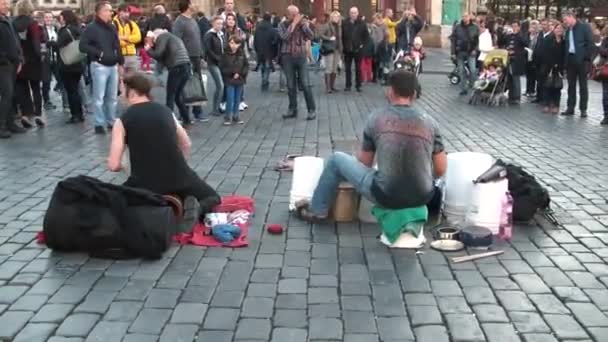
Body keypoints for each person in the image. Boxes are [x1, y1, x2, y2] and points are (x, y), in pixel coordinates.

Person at [294, 69, 447, 222]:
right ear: (414, 94)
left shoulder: (376, 119)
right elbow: (440, 169)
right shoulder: (430, 123)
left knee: (336, 160)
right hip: (422, 197)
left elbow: (365, 163)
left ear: (390, 92)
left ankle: (317, 210)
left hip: (385, 195)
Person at [107, 73, 221, 218]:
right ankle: (194, 209)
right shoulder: (167, 111)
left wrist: (119, 164)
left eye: (122, 90)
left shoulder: (122, 121)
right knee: (213, 198)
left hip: (144, 183)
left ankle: (152, 207)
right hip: (180, 177)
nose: (121, 94)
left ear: (133, 92)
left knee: (111, 203)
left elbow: (113, 165)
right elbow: (186, 143)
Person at [80, 1, 123, 135]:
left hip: (113, 65)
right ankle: (99, 123)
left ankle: (111, 121)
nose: (111, 13)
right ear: (100, 12)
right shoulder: (91, 28)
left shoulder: (112, 27)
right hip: (99, 66)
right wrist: (99, 53)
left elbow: (117, 44)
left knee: (112, 97)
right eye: (108, 10)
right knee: (99, 97)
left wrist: (120, 60)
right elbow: (83, 46)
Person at [145, 29, 192, 127]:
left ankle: (168, 122)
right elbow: (161, 56)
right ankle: (187, 120)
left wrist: (148, 49)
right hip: (186, 66)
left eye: (154, 40)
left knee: (170, 96)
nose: (155, 42)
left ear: (156, 36)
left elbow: (158, 53)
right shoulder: (173, 38)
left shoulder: (163, 36)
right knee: (178, 96)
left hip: (176, 67)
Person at [278, 5, 316, 120]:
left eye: (297, 13)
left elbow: (311, 36)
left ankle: (311, 110)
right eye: (293, 14)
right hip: (287, 57)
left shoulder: (302, 24)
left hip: (301, 56)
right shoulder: (282, 25)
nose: (296, 16)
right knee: (290, 85)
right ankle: (292, 109)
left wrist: (303, 25)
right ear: (288, 14)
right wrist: (293, 24)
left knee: (305, 84)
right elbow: (284, 37)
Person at [13, 0, 45, 128]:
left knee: (23, 89)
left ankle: (25, 115)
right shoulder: (33, 24)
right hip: (33, 60)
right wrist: (41, 55)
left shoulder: (12, 23)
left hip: (20, 60)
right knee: (36, 88)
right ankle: (38, 114)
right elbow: (37, 43)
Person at [174, 0, 206, 122]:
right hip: (186, 58)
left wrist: (201, 55)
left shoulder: (193, 20)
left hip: (196, 56)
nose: (194, 5)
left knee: (197, 84)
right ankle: (184, 114)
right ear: (187, 6)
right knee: (185, 86)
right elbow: (176, 41)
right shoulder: (179, 21)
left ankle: (198, 112)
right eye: (192, 3)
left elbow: (197, 38)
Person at [0, 0, 26, 138]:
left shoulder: (7, 20)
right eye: (3, 3)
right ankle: (1, 125)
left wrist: (20, 59)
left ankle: (10, 123)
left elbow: (15, 41)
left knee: (10, 95)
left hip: (13, 63)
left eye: (7, 3)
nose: (7, 6)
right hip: (3, 65)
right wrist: (5, 59)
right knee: (6, 95)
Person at [561, 10, 594, 118]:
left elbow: (590, 44)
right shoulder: (568, 29)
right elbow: (566, 45)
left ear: (571, 17)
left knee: (583, 86)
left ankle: (583, 109)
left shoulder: (584, 27)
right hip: (570, 60)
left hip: (582, 61)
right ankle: (570, 107)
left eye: (565, 19)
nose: (564, 22)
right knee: (571, 86)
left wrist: (586, 59)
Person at [57, 10, 85, 124]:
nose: (60, 19)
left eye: (61, 17)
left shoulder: (64, 31)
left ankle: (75, 115)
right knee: (76, 89)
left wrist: (50, 43)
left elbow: (59, 45)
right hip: (78, 63)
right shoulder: (78, 28)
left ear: (65, 18)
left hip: (67, 64)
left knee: (71, 90)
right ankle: (80, 113)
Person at [220, 36, 248, 125]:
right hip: (229, 79)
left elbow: (246, 66)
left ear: (239, 44)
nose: (233, 45)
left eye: (236, 43)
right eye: (231, 43)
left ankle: (236, 116)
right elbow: (222, 67)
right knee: (230, 98)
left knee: (237, 99)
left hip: (240, 79)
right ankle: (227, 117)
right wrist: (232, 73)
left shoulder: (241, 54)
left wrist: (240, 73)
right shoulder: (225, 54)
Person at [451, 13, 480, 95]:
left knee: (473, 70)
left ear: (469, 17)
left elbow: (477, 40)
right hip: (460, 51)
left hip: (471, 51)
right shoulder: (458, 27)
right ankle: (463, 88)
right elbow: (453, 40)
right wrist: (453, 52)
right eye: (463, 16)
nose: (464, 18)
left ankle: (472, 84)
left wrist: (475, 49)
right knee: (461, 70)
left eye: (466, 16)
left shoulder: (474, 27)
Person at [342, 7, 369, 92]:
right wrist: (344, 46)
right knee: (347, 68)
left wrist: (362, 45)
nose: (353, 14)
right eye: (352, 13)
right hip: (348, 50)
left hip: (358, 50)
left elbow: (366, 36)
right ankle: (348, 85)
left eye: (355, 13)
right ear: (349, 14)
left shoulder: (362, 23)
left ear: (357, 13)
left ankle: (358, 85)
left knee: (358, 69)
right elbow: (342, 36)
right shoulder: (345, 22)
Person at [203, 16, 225, 117]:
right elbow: (208, 50)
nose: (220, 26)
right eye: (218, 24)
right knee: (220, 85)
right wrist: (218, 59)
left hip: (221, 62)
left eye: (221, 24)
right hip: (213, 63)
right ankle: (215, 109)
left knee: (221, 86)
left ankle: (218, 106)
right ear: (213, 24)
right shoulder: (209, 35)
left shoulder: (221, 34)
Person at [541, 23, 565, 115]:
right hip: (548, 67)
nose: (559, 30)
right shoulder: (548, 40)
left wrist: (561, 66)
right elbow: (545, 53)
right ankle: (546, 104)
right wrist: (551, 64)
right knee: (547, 86)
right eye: (557, 28)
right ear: (554, 30)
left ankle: (556, 105)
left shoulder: (564, 42)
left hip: (559, 67)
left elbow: (564, 55)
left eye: (561, 29)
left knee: (557, 88)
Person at [253, 12, 279, 92]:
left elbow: (255, 40)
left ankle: (264, 79)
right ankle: (265, 80)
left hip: (260, 50)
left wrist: (256, 49)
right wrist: (275, 52)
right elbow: (275, 41)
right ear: (270, 19)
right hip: (269, 51)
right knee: (267, 66)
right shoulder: (272, 29)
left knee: (262, 66)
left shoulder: (258, 28)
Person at [113, 4, 141, 74]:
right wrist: (130, 42)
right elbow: (114, 40)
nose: (127, 14)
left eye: (128, 12)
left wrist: (125, 38)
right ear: (119, 12)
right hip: (118, 55)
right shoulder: (113, 24)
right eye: (125, 12)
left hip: (132, 55)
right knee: (120, 79)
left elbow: (138, 37)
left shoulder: (132, 24)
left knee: (133, 79)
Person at [319, 11, 342, 93]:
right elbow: (320, 34)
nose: (336, 18)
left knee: (335, 69)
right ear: (331, 17)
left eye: (337, 17)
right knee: (329, 68)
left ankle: (332, 86)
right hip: (329, 49)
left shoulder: (339, 26)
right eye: (334, 16)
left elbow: (341, 38)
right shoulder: (327, 25)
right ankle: (328, 88)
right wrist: (329, 38)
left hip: (337, 49)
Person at [505, 21, 527, 105]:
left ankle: (517, 97)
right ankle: (511, 95)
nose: (514, 28)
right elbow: (502, 42)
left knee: (516, 79)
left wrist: (518, 34)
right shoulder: (509, 36)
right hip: (509, 59)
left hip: (517, 60)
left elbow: (525, 43)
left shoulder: (521, 35)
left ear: (519, 27)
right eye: (512, 26)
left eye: (515, 26)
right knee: (510, 78)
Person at [533, 18, 554, 104]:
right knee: (539, 79)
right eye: (542, 24)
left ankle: (545, 98)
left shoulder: (551, 36)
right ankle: (539, 97)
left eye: (545, 24)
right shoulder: (540, 34)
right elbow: (537, 46)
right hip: (538, 60)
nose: (543, 26)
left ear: (549, 25)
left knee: (545, 79)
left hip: (546, 61)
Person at [41, 12, 59, 110]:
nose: (48, 19)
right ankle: (47, 101)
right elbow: (41, 42)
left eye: (50, 17)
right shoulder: (41, 29)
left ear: (53, 19)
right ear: (43, 19)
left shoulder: (55, 28)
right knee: (46, 81)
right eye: (46, 17)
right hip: (46, 58)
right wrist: (49, 43)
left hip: (55, 58)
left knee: (60, 78)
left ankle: (59, 91)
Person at [371, 14, 388, 84]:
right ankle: (374, 76)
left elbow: (386, 35)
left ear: (379, 19)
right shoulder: (372, 26)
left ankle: (380, 75)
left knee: (381, 61)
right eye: (374, 19)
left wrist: (385, 44)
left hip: (381, 46)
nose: (374, 21)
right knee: (374, 62)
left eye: (375, 19)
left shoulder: (384, 26)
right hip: (373, 46)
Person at [524, 20, 540, 97]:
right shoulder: (527, 35)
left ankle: (532, 90)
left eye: (534, 27)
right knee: (528, 74)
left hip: (535, 56)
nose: (532, 28)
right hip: (527, 56)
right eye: (531, 27)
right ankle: (528, 89)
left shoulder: (538, 36)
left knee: (533, 75)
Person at [599, 27, 608, 125]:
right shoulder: (605, 41)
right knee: (606, 94)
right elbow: (601, 51)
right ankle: (606, 115)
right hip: (606, 70)